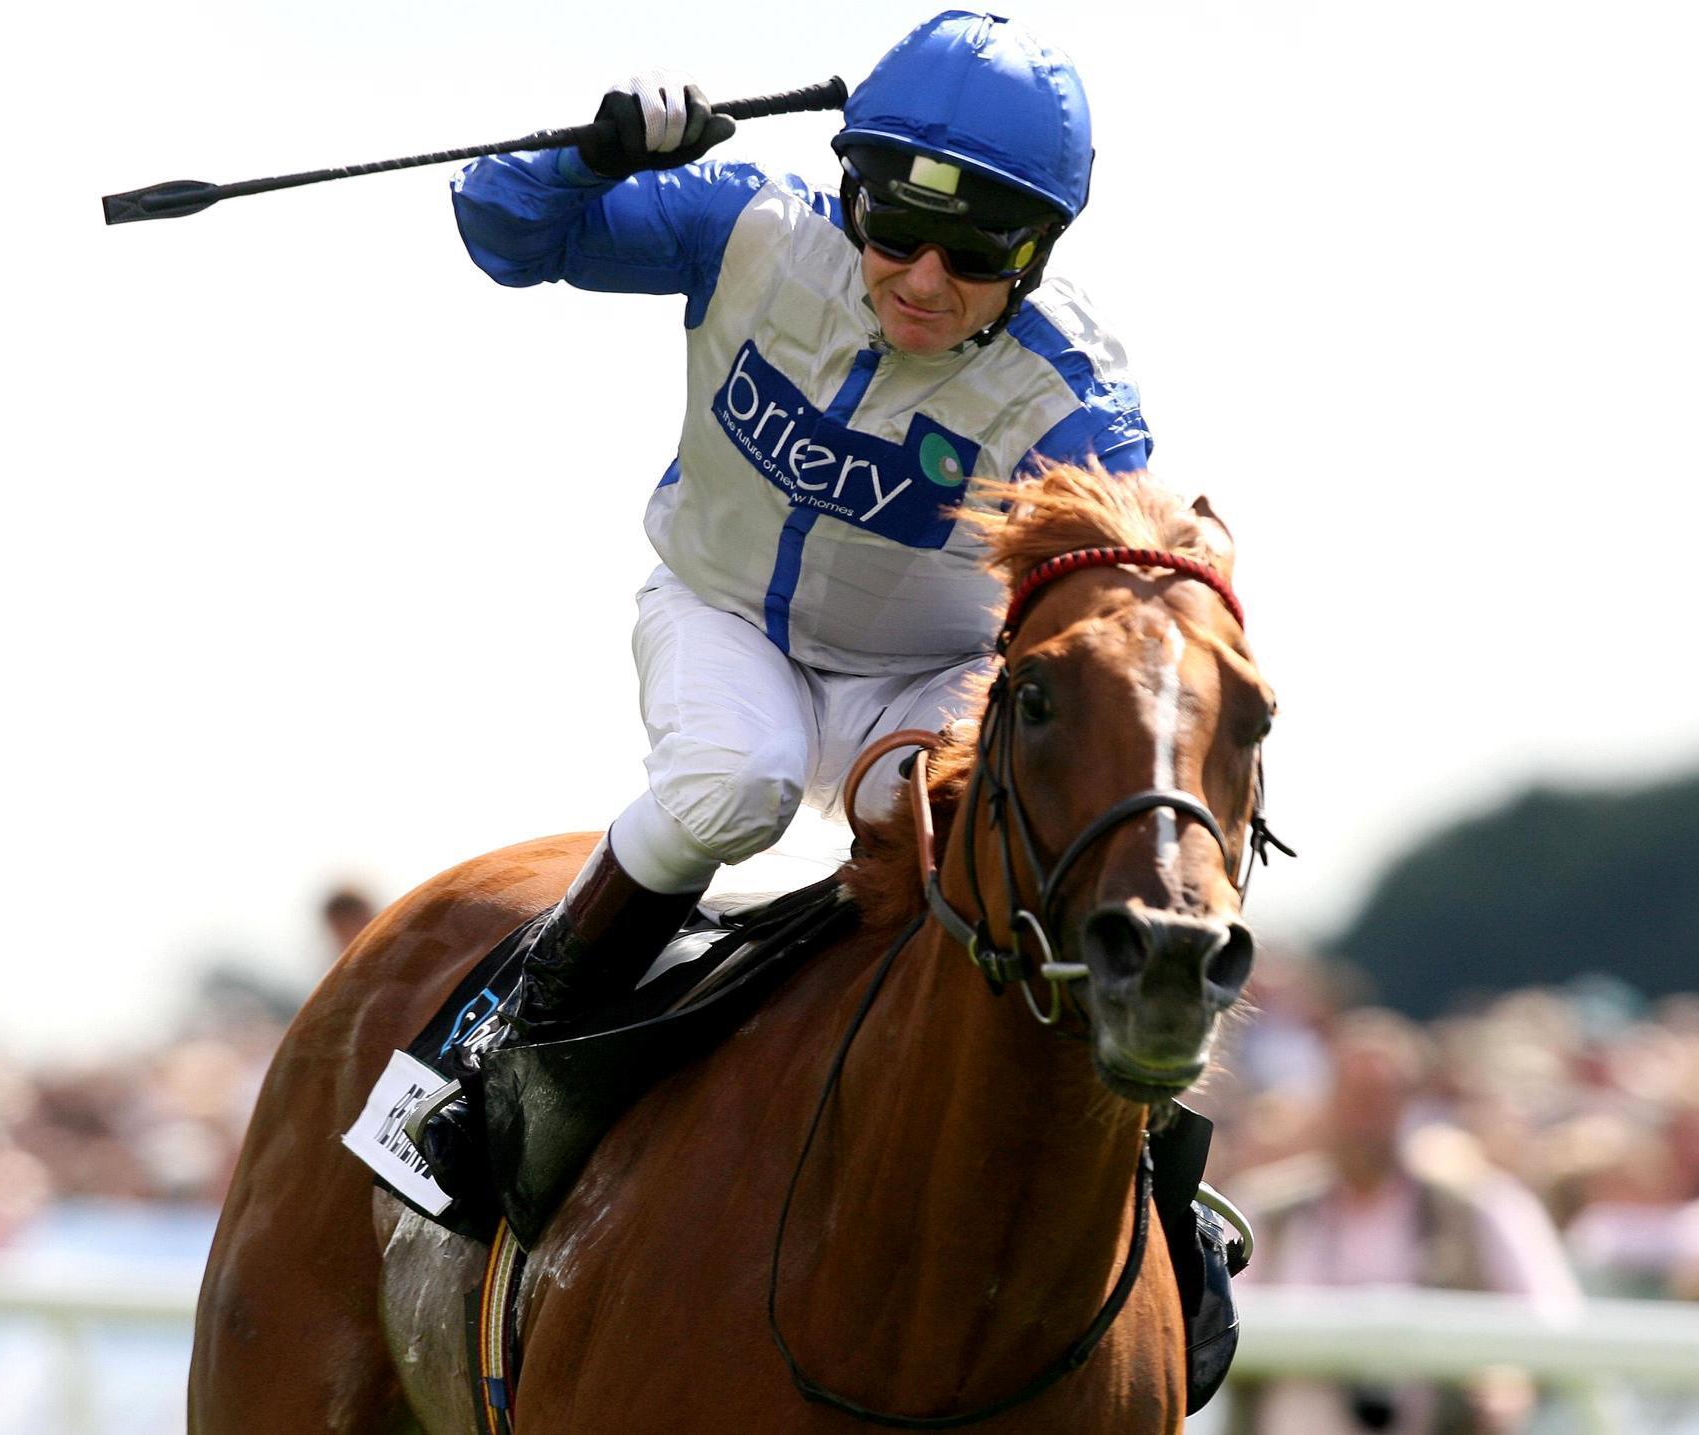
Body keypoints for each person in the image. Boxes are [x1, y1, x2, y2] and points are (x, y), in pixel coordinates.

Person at [447, 10, 1150, 1017]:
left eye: (971, 255)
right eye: (896, 230)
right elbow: (502, 232)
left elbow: (1125, 609)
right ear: (850, 193)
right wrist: (586, 156)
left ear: (1036, 252)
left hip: (923, 682)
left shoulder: (1067, 397)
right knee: (734, 784)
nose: (921, 281)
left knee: (993, 819)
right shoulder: (753, 229)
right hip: (720, 614)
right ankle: (509, 1037)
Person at [1225, 1010, 1582, 1435]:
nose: (1364, 1119)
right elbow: (1215, 1327)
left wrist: (1508, 1376)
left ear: (1412, 1104)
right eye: (1352, 1096)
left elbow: (1555, 1323)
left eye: (1380, 1098)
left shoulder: (1483, 1207)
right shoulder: (1261, 1213)